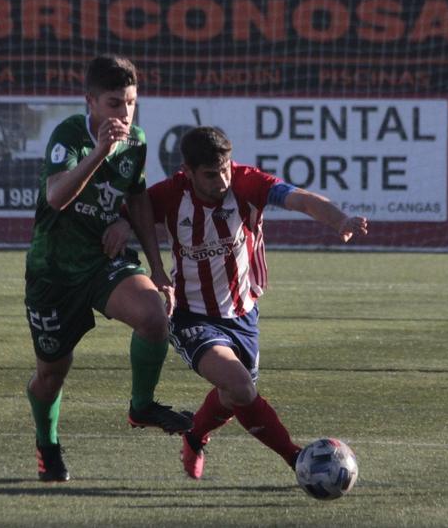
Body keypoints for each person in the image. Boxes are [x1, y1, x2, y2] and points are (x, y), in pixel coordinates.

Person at [135, 126, 368, 479]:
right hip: (191, 315)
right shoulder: (170, 195)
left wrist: (340, 220)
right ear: (187, 171)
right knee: (240, 386)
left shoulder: (246, 183)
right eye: (211, 175)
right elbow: (130, 217)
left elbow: (302, 199)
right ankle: (298, 460)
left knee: (232, 396)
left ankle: (195, 436)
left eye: (225, 169)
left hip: (243, 313)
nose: (222, 180)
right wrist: (125, 238)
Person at [22, 54, 192, 482]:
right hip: (54, 273)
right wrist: (100, 151)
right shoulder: (70, 135)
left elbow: (137, 200)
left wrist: (156, 265)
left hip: (103, 262)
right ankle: (48, 444)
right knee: (51, 375)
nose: (124, 112)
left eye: (131, 102)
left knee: (155, 315)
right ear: (91, 102)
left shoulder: (136, 140)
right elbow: (58, 196)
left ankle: (141, 407)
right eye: (115, 103)